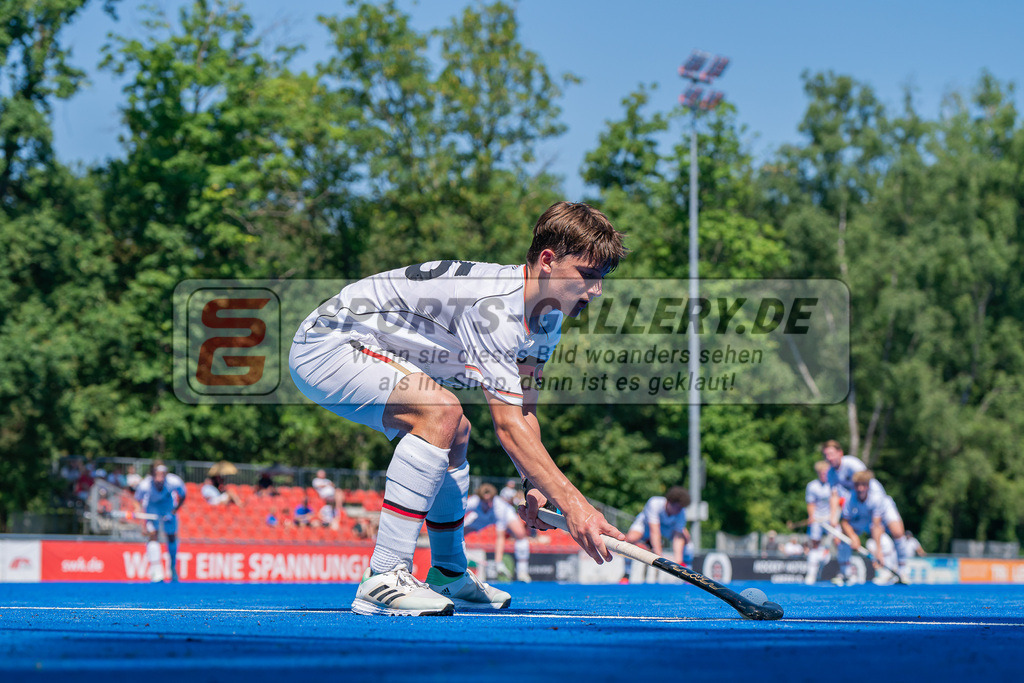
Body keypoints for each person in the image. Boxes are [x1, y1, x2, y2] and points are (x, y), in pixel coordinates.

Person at [289, 201, 627, 616]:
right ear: (547, 261)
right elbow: (507, 427)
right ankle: (383, 575)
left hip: (366, 343)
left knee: (456, 430)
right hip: (328, 343)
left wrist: (534, 483)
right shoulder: (496, 308)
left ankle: (448, 572)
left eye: (601, 278)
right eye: (587, 275)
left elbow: (524, 410)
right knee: (441, 411)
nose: (596, 291)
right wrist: (576, 506)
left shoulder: (549, 313)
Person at [835, 470, 912, 585]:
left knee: (897, 532)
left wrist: (878, 551)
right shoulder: (850, 498)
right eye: (857, 485)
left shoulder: (876, 497)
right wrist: (853, 537)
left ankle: (902, 570)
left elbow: (876, 525)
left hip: (884, 512)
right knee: (844, 535)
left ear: (868, 485)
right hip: (865, 515)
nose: (860, 489)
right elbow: (845, 522)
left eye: (863, 485)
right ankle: (845, 573)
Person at [621, 486, 692, 582]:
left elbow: (678, 537)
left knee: (687, 539)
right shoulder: (654, 503)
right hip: (645, 526)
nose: (679, 511)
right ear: (669, 502)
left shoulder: (681, 512)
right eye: (678, 508)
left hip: (666, 529)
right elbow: (654, 531)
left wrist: (679, 562)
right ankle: (627, 573)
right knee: (630, 539)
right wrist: (659, 558)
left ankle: (688, 573)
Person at [465, 483, 533, 582]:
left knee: (520, 534)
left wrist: (498, 562)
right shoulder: (472, 501)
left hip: (505, 515)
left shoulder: (500, 507)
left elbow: (500, 537)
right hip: (481, 517)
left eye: (490, 500)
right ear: (480, 498)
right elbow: (457, 517)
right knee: (458, 531)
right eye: (485, 501)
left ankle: (522, 572)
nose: (488, 504)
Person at [134, 463, 186, 582]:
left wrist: (175, 510)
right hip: (152, 507)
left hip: (168, 506)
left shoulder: (175, 482)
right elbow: (137, 499)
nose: (159, 479)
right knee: (153, 535)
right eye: (157, 475)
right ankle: (156, 571)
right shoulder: (145, 485)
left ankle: (172, 568)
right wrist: (138, 510)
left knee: (171, 536)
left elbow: (183, 495)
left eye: (162, 475)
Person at [821, 439, 866, 525]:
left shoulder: (852, 464)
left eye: (831, 454)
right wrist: (833, 517)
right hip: (855, 500)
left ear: (840, 453)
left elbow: (865, 485)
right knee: (845, 525)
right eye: (826, 455)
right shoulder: (830, 473)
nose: (828, 458)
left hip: (870, 498)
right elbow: (834, 496)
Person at [803, 460, 833, 584]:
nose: (824, 475)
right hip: (817, 518)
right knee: (815, 544)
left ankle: (844, 572)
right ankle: (811, 574)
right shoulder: (812, 486)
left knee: (838, 541)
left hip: (831, 518)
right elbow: (811, 503)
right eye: (821, 473)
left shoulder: (834, 484)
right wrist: (811, 517)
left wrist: (834, 518)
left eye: (826, 473)